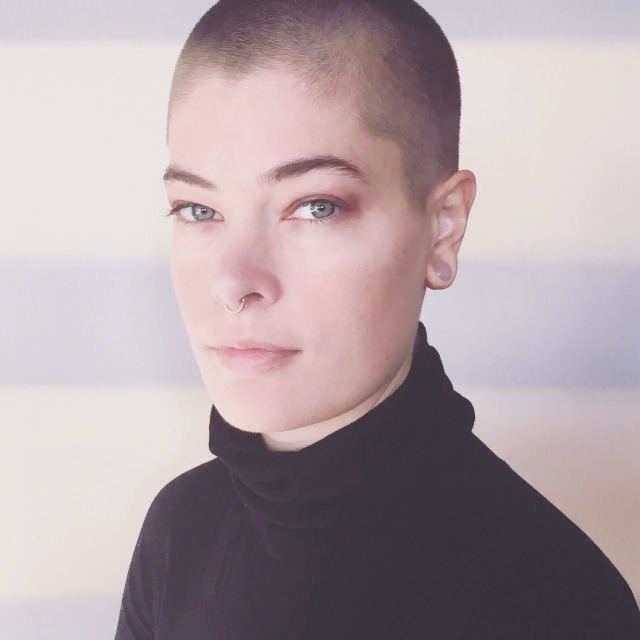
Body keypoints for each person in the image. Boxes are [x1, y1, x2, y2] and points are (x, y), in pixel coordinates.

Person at [115, 1, 640, 638]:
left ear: (443, 228)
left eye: (314, 207)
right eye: (198, 210)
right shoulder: (180, 530)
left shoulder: (554, 602)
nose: (233, 283)